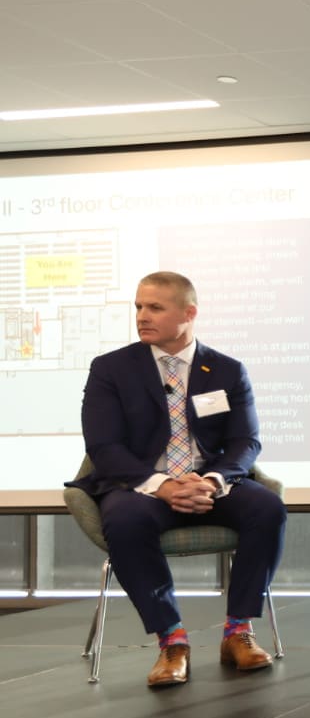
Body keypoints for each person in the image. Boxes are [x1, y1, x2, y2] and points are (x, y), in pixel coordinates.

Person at [67, 271, 287, 689]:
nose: (142, 316)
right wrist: (164, 486)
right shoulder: (111, 369)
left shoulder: (226, 370)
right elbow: (104, 447)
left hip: (210, 486)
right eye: (138, 307)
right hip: (140, 487)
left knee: (267, 508)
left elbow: (245, 441)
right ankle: (172, 640)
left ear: (189, 313)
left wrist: (212, 481)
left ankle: (238, 631)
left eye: (155, 307)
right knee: (125, 521)